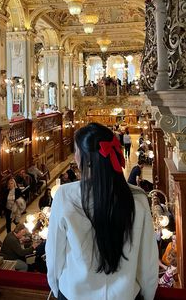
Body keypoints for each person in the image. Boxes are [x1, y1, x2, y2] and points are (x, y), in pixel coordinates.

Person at [46, 123, 158, 300]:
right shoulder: (138, 199)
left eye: (75, 151)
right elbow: (148, 262)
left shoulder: (64, 196)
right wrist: (147, 294)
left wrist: (57, 287)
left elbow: (54, 255)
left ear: (85, 158)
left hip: (74, 294)